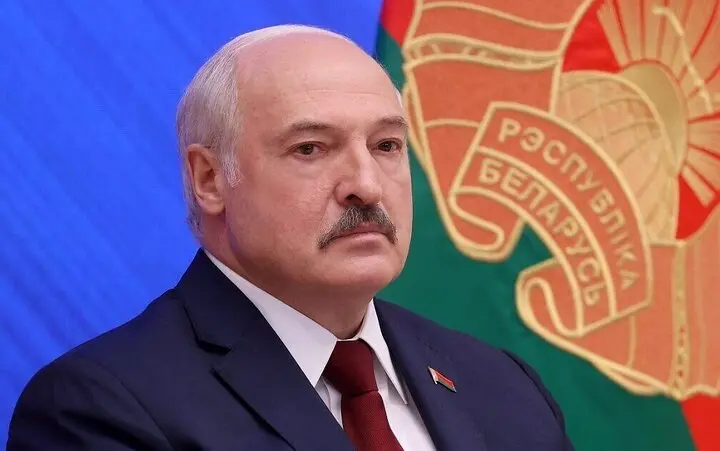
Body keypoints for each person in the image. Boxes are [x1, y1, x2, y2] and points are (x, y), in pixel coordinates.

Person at [7, 25, 574, 451]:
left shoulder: (503, 386)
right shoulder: (99, 408)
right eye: (311, 149)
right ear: (210, 180)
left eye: (386, 146)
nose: (366, 186)